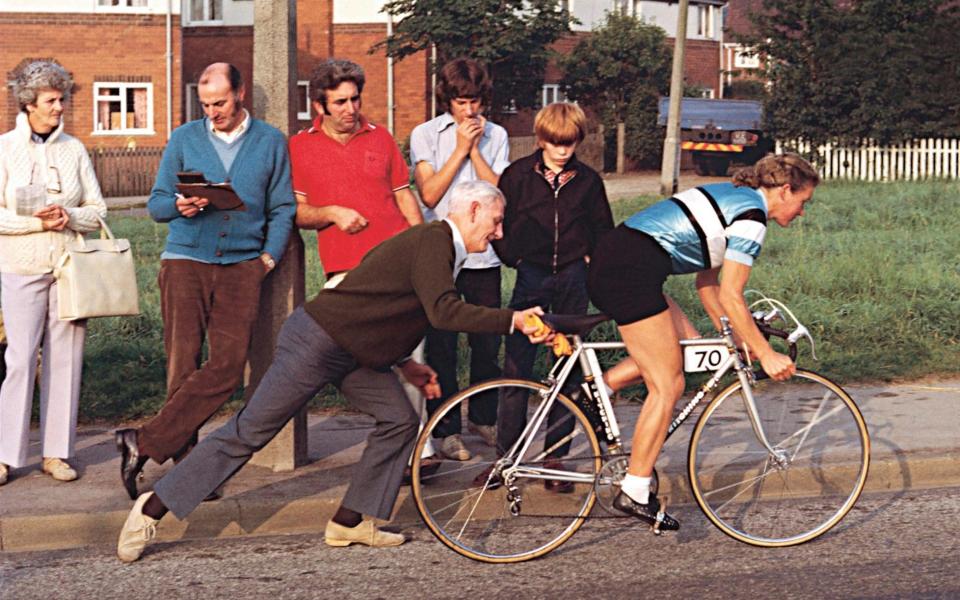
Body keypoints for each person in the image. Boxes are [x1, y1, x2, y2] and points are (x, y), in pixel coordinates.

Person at [115, 180, 551, 562]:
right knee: (250, 432)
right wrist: (512, 319)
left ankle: (349, 521)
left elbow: (390, 304)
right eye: (495, 221)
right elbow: (442, 312)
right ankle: (152, 509)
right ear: (472, 210)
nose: (498, 232)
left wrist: (406, 366)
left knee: (399, 421)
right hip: (317, 340)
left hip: (353, 351)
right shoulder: (434, 240)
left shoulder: (442, 247)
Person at [587, 153, 820, 529]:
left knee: (692, 348)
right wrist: (764, 353)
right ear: (786, 190)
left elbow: (707, 285)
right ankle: (635, 488)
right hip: (629, 270)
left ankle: (600, 388)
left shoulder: (737, 198)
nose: (802, 212)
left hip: (624, 260)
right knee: (668, 384)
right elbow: (731, 295)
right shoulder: (752, 218)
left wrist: (734, 337)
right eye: (803, 202)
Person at [114, 63, 296, 500]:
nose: (212, 112)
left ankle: (142, 442)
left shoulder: (270, 142)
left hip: (243, 266)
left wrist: (268, 258)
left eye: (220, 103)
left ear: (241, 94)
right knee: (183, 362)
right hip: (185, 260)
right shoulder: (184, 138)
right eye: (206, 105)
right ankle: (188, 471)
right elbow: (156, 204)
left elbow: (284, 206)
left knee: (229, 366)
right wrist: (181, 205)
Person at [289, 58, 433, 471]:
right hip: (346, 273)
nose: (350, 109)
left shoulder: (381, 137)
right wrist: (333, 212)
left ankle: (418, 453)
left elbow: (405, 196)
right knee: (352, 358)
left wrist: (422, 245)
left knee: (410, 353)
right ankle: (390, 438)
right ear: (320, 106)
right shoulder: (300, 146)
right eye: (340, 102)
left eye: (355, 99)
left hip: (397, 263)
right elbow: (297, 213)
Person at [492, 102, 613, 491]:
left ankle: (555, 457)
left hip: (573, 279)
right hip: (532, 277)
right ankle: (505, 458)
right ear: (541, 139)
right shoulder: (516, 177)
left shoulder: (589, 181)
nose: (563, 151)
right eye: (556, 144)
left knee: (567, 370)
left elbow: (603, 231)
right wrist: (514, 255)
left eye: (570, 144)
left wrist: (595, 266)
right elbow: (501, 225)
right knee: (517, 367)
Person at [0, 60, 107, 485]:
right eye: (51, 100)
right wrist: (37, 224)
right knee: (20, 360)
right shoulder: (5, 148)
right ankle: (7, 454)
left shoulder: (74, 149)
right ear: (29, 104)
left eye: (61, 99)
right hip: (20, 266)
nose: (60, 107)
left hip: (69, 269)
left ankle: (57, 453)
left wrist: (69, 216)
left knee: (67, 359)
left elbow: (97, 210)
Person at [409, 58, 511, 461]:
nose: (469, 111)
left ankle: (484, 419)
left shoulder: (498, 134)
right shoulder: (425, 134)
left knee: (487, 342)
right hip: (444, 254)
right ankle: (446, 428)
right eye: (461, 102)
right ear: (447, 100)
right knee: (442, 345)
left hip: (484, 255)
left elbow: (498, 189)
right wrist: (460, 148)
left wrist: (478, 149)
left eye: (475, 102)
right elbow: (430, 194)